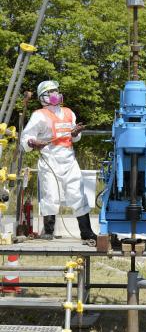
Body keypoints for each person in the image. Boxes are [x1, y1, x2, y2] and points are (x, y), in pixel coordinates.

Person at [21, 80, 97, 243]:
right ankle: (48, 231)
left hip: (68, 159)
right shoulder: (39, 115)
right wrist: (33, 143)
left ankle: (87, 232)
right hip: (49, 159)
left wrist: (76, 133)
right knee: (51, 195)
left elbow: (75, 137)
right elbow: (26, 137)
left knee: (77, 193)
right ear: (43, 96)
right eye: (51, 91)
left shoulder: (69, 112)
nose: (56, 94)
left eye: (56, 90)